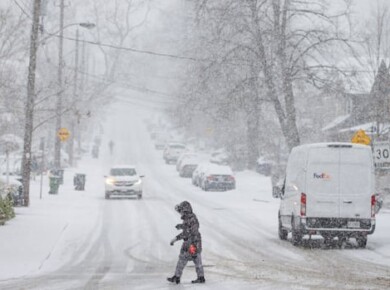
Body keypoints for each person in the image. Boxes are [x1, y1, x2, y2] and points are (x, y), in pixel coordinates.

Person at [167, 201, 205, 284]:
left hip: (192, 244)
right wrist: (181, 226)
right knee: (194, 260)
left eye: (180, 211)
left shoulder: (191, 218)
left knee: (186, 259)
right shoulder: (188, 218)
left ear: (185, 210)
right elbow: (187, 228)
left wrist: (176, 238)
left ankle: (177, 277)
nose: (180, 213)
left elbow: (188, 232)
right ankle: (200, 277)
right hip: (191, 243)